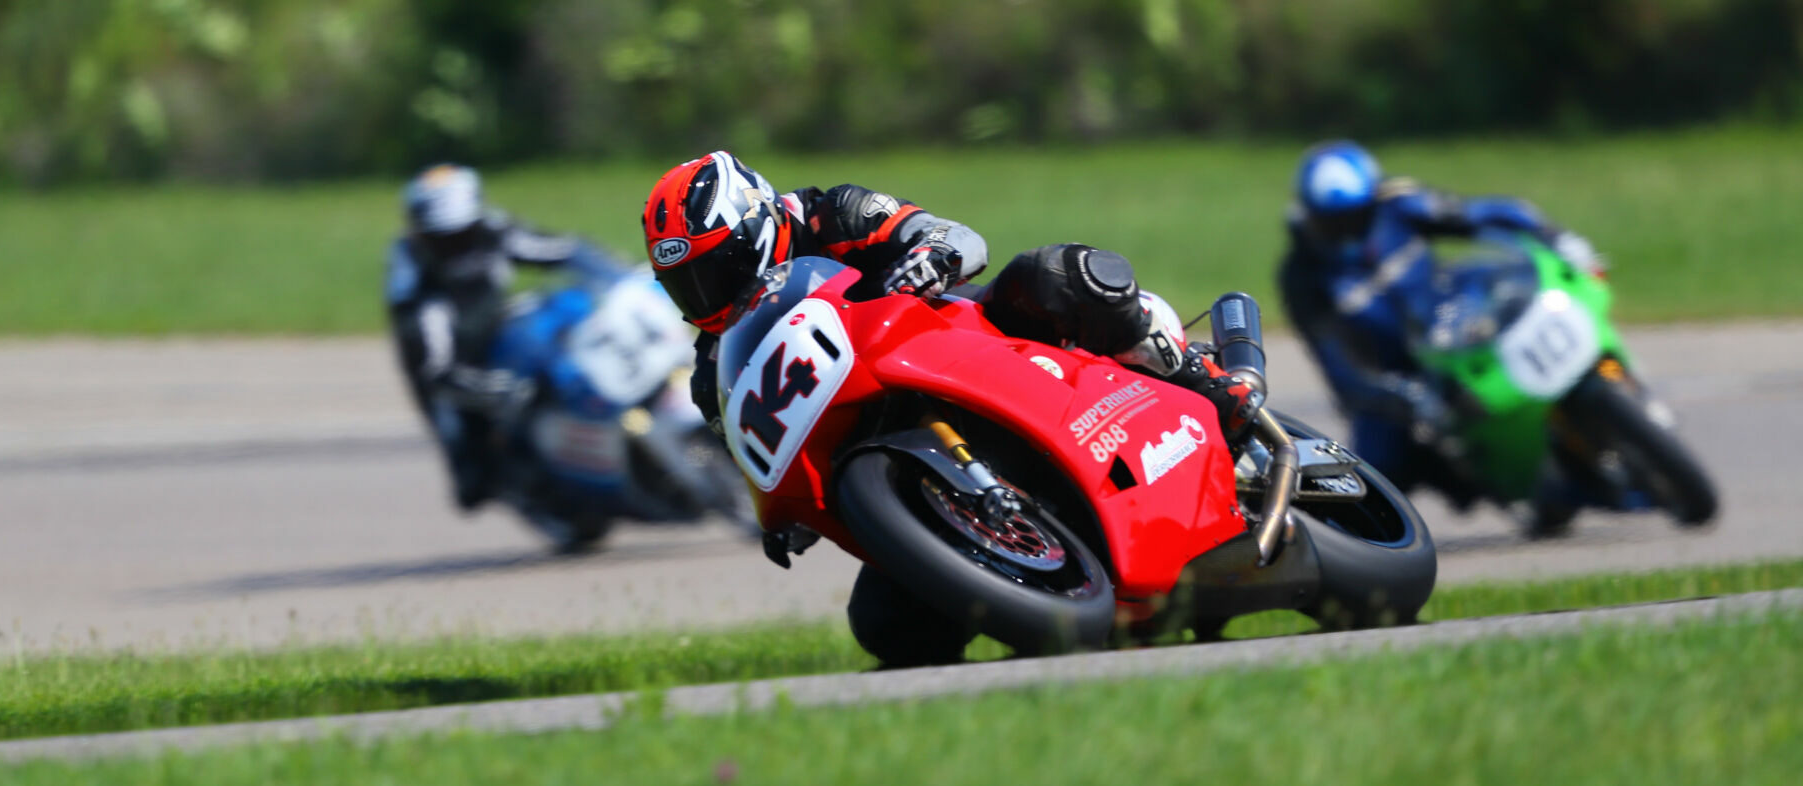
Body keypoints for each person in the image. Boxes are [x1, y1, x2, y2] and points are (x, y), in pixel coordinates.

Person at [638, 151, 1263, 451]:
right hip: (900, 443)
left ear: (758, 229)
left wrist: (928, 260)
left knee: (1053, 273)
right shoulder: (716, 365)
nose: (709, 296)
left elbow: (959, 239)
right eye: (686, 285)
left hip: (972, 336)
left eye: (717, 270)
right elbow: (745, 456)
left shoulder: (834, 212)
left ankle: (1204, 379)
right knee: (885, 627)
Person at [1276, 139, 1604, 507]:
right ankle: (1469, 491)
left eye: (1355, 217)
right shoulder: (1303, 276)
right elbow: (1336, 361)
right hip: (1394, 378)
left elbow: (1489, 214)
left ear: (1372, 201)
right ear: (1308, 215)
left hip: (1454, 328)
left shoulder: (1399, 207)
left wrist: (1555, 236)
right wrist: (1394, 393)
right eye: (1331, 222)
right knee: (1373, 476)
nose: (1345, 230)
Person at [385, 163, 621, 511]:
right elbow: (436, 369)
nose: (458, 249)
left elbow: (560, 249)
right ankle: (512, 480)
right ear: (422, 236)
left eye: (464, 235)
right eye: (445, 242)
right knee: (473, 475)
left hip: (496, 325)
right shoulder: (416, 285)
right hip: (448, 361)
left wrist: (618, 275)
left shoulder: (493, 230)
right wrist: (496, 390)